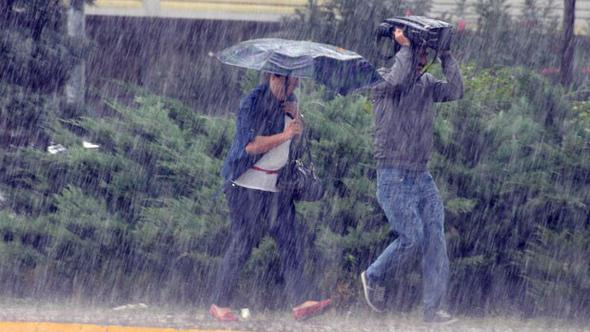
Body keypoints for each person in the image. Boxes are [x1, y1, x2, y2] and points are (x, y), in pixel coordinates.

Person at [360, 27, 464, 324]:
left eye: (424, 53)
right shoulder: (380, 79)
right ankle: (373, 275)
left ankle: (433, 310)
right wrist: (405, 47)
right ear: (400, 51)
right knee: (412, 236)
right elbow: (396, 81)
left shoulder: (428, 84)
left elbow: (456, 90)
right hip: (392, 174)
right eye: (417, 52)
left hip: (422, 175)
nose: (422, 58)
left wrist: (446, 55)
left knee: (435, 240)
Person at [210, 72, 331, 321]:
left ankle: (301, 300)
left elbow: (295, 136)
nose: (295, 85)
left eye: (297, 80)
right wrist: (285, 136)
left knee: (290, 242)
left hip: (277, 186)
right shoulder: (252, 102)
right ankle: (220, 304)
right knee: (243, 242)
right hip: (247, 186)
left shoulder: (289, 100)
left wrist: (298, 117)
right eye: (291, 80)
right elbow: (250, 146)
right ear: (274, 77)